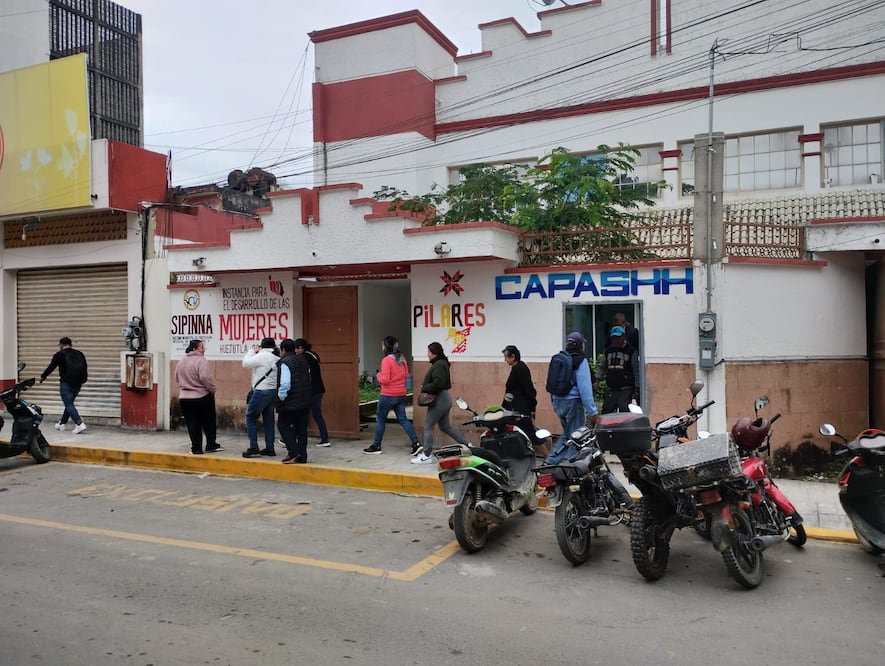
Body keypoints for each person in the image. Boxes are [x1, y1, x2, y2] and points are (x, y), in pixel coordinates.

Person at [411, 341, 470, 464]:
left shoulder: (438, 365)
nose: (427, 355)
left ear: (434, 353)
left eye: (429, 352)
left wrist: (425, 387)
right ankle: (467, 445)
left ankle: (426, 455)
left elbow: (438, 383)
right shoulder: (441, 363)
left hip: (439, 399)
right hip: (444, 398)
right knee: (445, 426)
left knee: (427, 426)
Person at [546, 332, 599, 464]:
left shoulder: (561, 358)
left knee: (568, 434)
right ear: (581, 345)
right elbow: (585, 388)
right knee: (576, 437)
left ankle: (553, 463)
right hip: (573, 403)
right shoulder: (581, 360)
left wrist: (554, 402)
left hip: (558, 402)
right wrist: (593, 411)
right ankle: (570, 466)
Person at [364, 336, 421, 455]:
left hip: (388, 395)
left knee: (380, 419)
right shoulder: (401, 358)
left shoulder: (386, 360)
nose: (382, 347)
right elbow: (406, 375)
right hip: (401, 393)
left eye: (383, 345)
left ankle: (376, 445)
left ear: (387, 346)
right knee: (403, 419)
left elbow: (385, 379)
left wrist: (378, 375)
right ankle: (416, 444)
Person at [174, 339, 221, 454]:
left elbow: (176, 378)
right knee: (208, 422)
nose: (203, 349)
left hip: (185, 398)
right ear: (194, 348)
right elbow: (205, 377)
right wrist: (212, 389)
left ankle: (196, 448)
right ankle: (211, 444)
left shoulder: (181, 361)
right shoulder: (201, 360)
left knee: (192, 423)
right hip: (202, 396)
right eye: (201, 347)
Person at [502, 345, 549, 458]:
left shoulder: (520, 369)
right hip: (514, 408)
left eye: (506, 357)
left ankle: (548, 457)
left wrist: (532, 408)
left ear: (512, 357)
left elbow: (529, 389)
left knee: (531, 434)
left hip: (521, 409)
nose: (505, 360)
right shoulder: (516, 368)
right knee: (516, 433)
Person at [40, 336, 89, 434]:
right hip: (78, 382)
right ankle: (62, 423)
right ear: (71, 344)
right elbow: (85, 367)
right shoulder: (79, 353)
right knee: (69, 403)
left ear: (61, 345)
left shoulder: (59, 354)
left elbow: (51, 367)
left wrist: (43, 376)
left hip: (66, 382)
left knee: (68, 403)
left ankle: (79, 424)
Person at [276, 338, 312, 464]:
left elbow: (285, 383)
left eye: (280, 350)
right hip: (305, 400)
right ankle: (302, 456)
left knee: (283, 425)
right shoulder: (302, 359)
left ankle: (293, 452)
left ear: (284, 350)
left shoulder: (285, 362)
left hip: (291, 401)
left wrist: (281, 398)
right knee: (301, 430)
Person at [241, 337, 279, 458]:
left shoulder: (261, 355)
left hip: (261, 391)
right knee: (269, 420)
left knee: (250, 417)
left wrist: (252, 351)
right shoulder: (277, 357)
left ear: (262, 346)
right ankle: (270, 448)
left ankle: (253, 447)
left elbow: (245, 363)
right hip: (273, 391)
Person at [594, 325, 641, 413]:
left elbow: (636, 371)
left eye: (618, 337)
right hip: (611, 389)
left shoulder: (631, 351)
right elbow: (602, 366)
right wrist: (597, 380)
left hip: (625, 389)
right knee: (606, 412)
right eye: (614, 338)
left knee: (625, 413)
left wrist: (637, 388)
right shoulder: (608, 350)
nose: (616, 340)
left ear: (623, 337)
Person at [294, 338, 330, 447]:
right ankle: (325, 439)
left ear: (300, 348)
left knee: (299, 414)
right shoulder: (314, 355)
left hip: (310, 390)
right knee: (317, 414)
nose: (295, 352)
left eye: (296, 349)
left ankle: (290, 438)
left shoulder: (303, 357)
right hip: (319, 389)